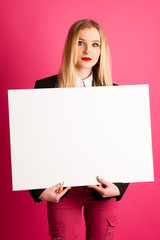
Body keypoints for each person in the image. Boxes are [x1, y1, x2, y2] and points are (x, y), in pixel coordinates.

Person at [29, 19, 129, 240]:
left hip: (102, 189)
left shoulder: (115, 93)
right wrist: (38, 189)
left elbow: (127, 145)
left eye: (95, 44)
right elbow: (29, 142)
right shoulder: (44, 87)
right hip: (63, 191)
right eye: (80, 42)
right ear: (70, 46)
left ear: (102, 50)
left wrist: (119, 187)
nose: (87, 50)